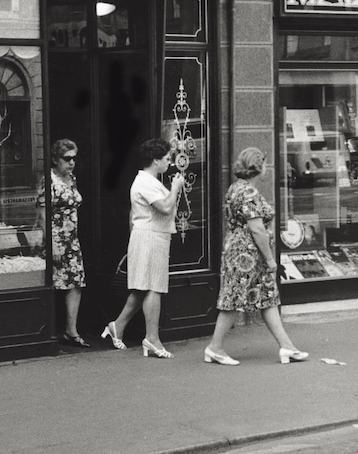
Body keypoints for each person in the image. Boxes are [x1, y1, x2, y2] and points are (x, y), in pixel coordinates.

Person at [204, 147, 308, 366]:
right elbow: (257, 229)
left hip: (239, 250)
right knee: (235, 298)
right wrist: (270, 259)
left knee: (267, 297)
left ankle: (286, 346)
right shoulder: (249, 193)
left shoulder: (235, 188)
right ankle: (215, 347)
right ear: (259, 168)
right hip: (248, 254)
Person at [102, 138, 185, 358]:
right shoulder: (146, 182)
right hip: (151, 237)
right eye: (167, 159)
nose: (169, 162)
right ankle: (152, 339)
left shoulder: (147, 181)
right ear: (156, 160)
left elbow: (133, 215)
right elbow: (166, 208)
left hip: (148, 236)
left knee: (141, 288)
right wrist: (175, 187)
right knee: (153, 287)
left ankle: (116, 327)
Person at [47, 139, 89, 347]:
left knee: (75, 282)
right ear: (55, 159)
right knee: (53, 283)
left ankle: (71, 331)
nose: (71, 163)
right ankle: (47, 331)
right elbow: (41, 216)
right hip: (56, 240)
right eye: (67, 159)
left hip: (72, 240)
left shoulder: (71, 178)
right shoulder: (48, 181)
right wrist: (52, 243)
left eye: (74, 158)